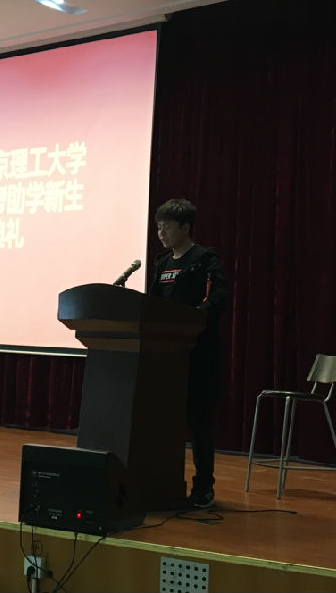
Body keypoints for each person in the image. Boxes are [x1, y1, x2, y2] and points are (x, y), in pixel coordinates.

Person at [147, 198, 228, 509]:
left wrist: (191, 319)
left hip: (198, 356)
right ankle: (159, 482)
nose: (161, 233)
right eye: (158, 228)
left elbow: (218, 298)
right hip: (165, 358)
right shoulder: (162, 263)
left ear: (185, 227)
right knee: (161, 421)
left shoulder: (204, 259)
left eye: (166, 227)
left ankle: (203, 487)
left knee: (199, 424)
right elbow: (153, 304)